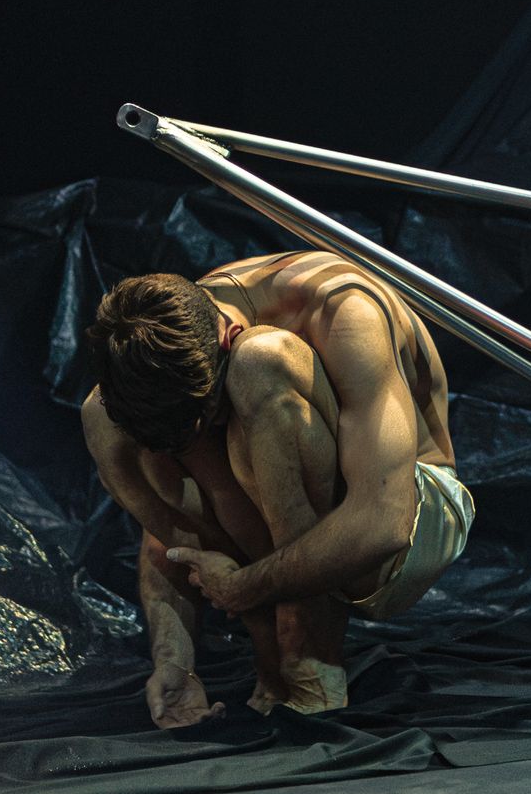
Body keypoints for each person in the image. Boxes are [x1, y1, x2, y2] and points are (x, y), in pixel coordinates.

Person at [81, 250, 473, 725]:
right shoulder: (176, 337)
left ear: (228, 336)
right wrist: (174, 659)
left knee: (259, 363)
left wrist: (245, 588)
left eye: (203, 423)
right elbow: (170, 529)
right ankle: (273, 662)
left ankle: (307, 658)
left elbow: (384, 522)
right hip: (310, 538)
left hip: (409, 521)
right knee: (99, 416)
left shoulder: (342, 310)